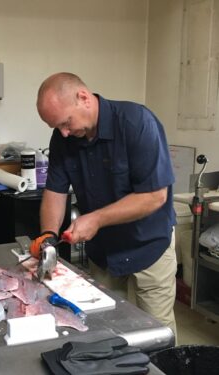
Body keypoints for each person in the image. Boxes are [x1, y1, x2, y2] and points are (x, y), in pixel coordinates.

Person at [34, 72, 178, 336]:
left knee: (156, 331)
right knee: (104, 328)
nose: (63, 133)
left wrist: (96, 219)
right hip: (104, 254)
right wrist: (48, 238)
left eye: (66, 122)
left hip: (149, 245)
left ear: (83, 98)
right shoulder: (63, 139)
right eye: (57, 127)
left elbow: (155, 196)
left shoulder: (136, 123)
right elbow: (55, 192)